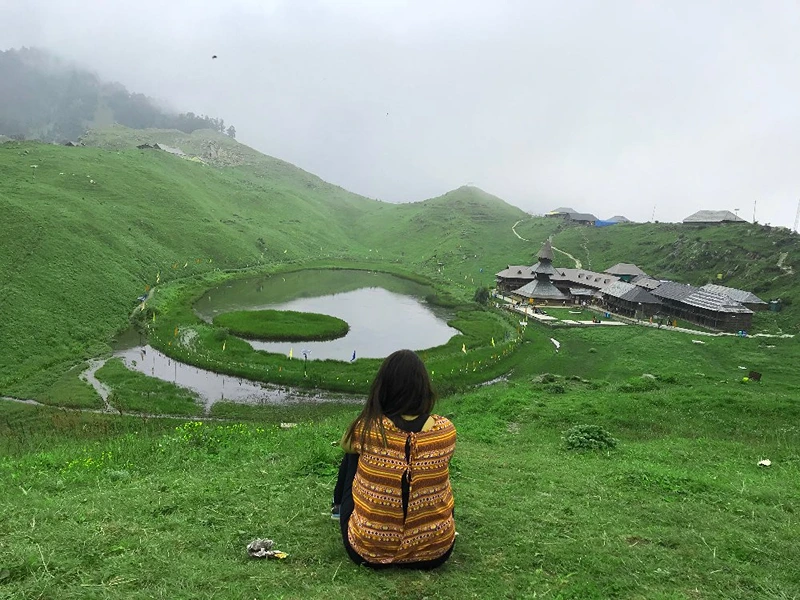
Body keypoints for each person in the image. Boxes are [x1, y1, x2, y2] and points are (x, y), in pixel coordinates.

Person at [331, 349, 456, 569]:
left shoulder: (369, 429)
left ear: (384, 388)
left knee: (352, 456)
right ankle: (427, 530)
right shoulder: (445, 430)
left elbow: (344, 444)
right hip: (435, 552)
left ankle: (338, 509)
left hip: (367, 550)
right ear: (423, 388)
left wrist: (373, 412)